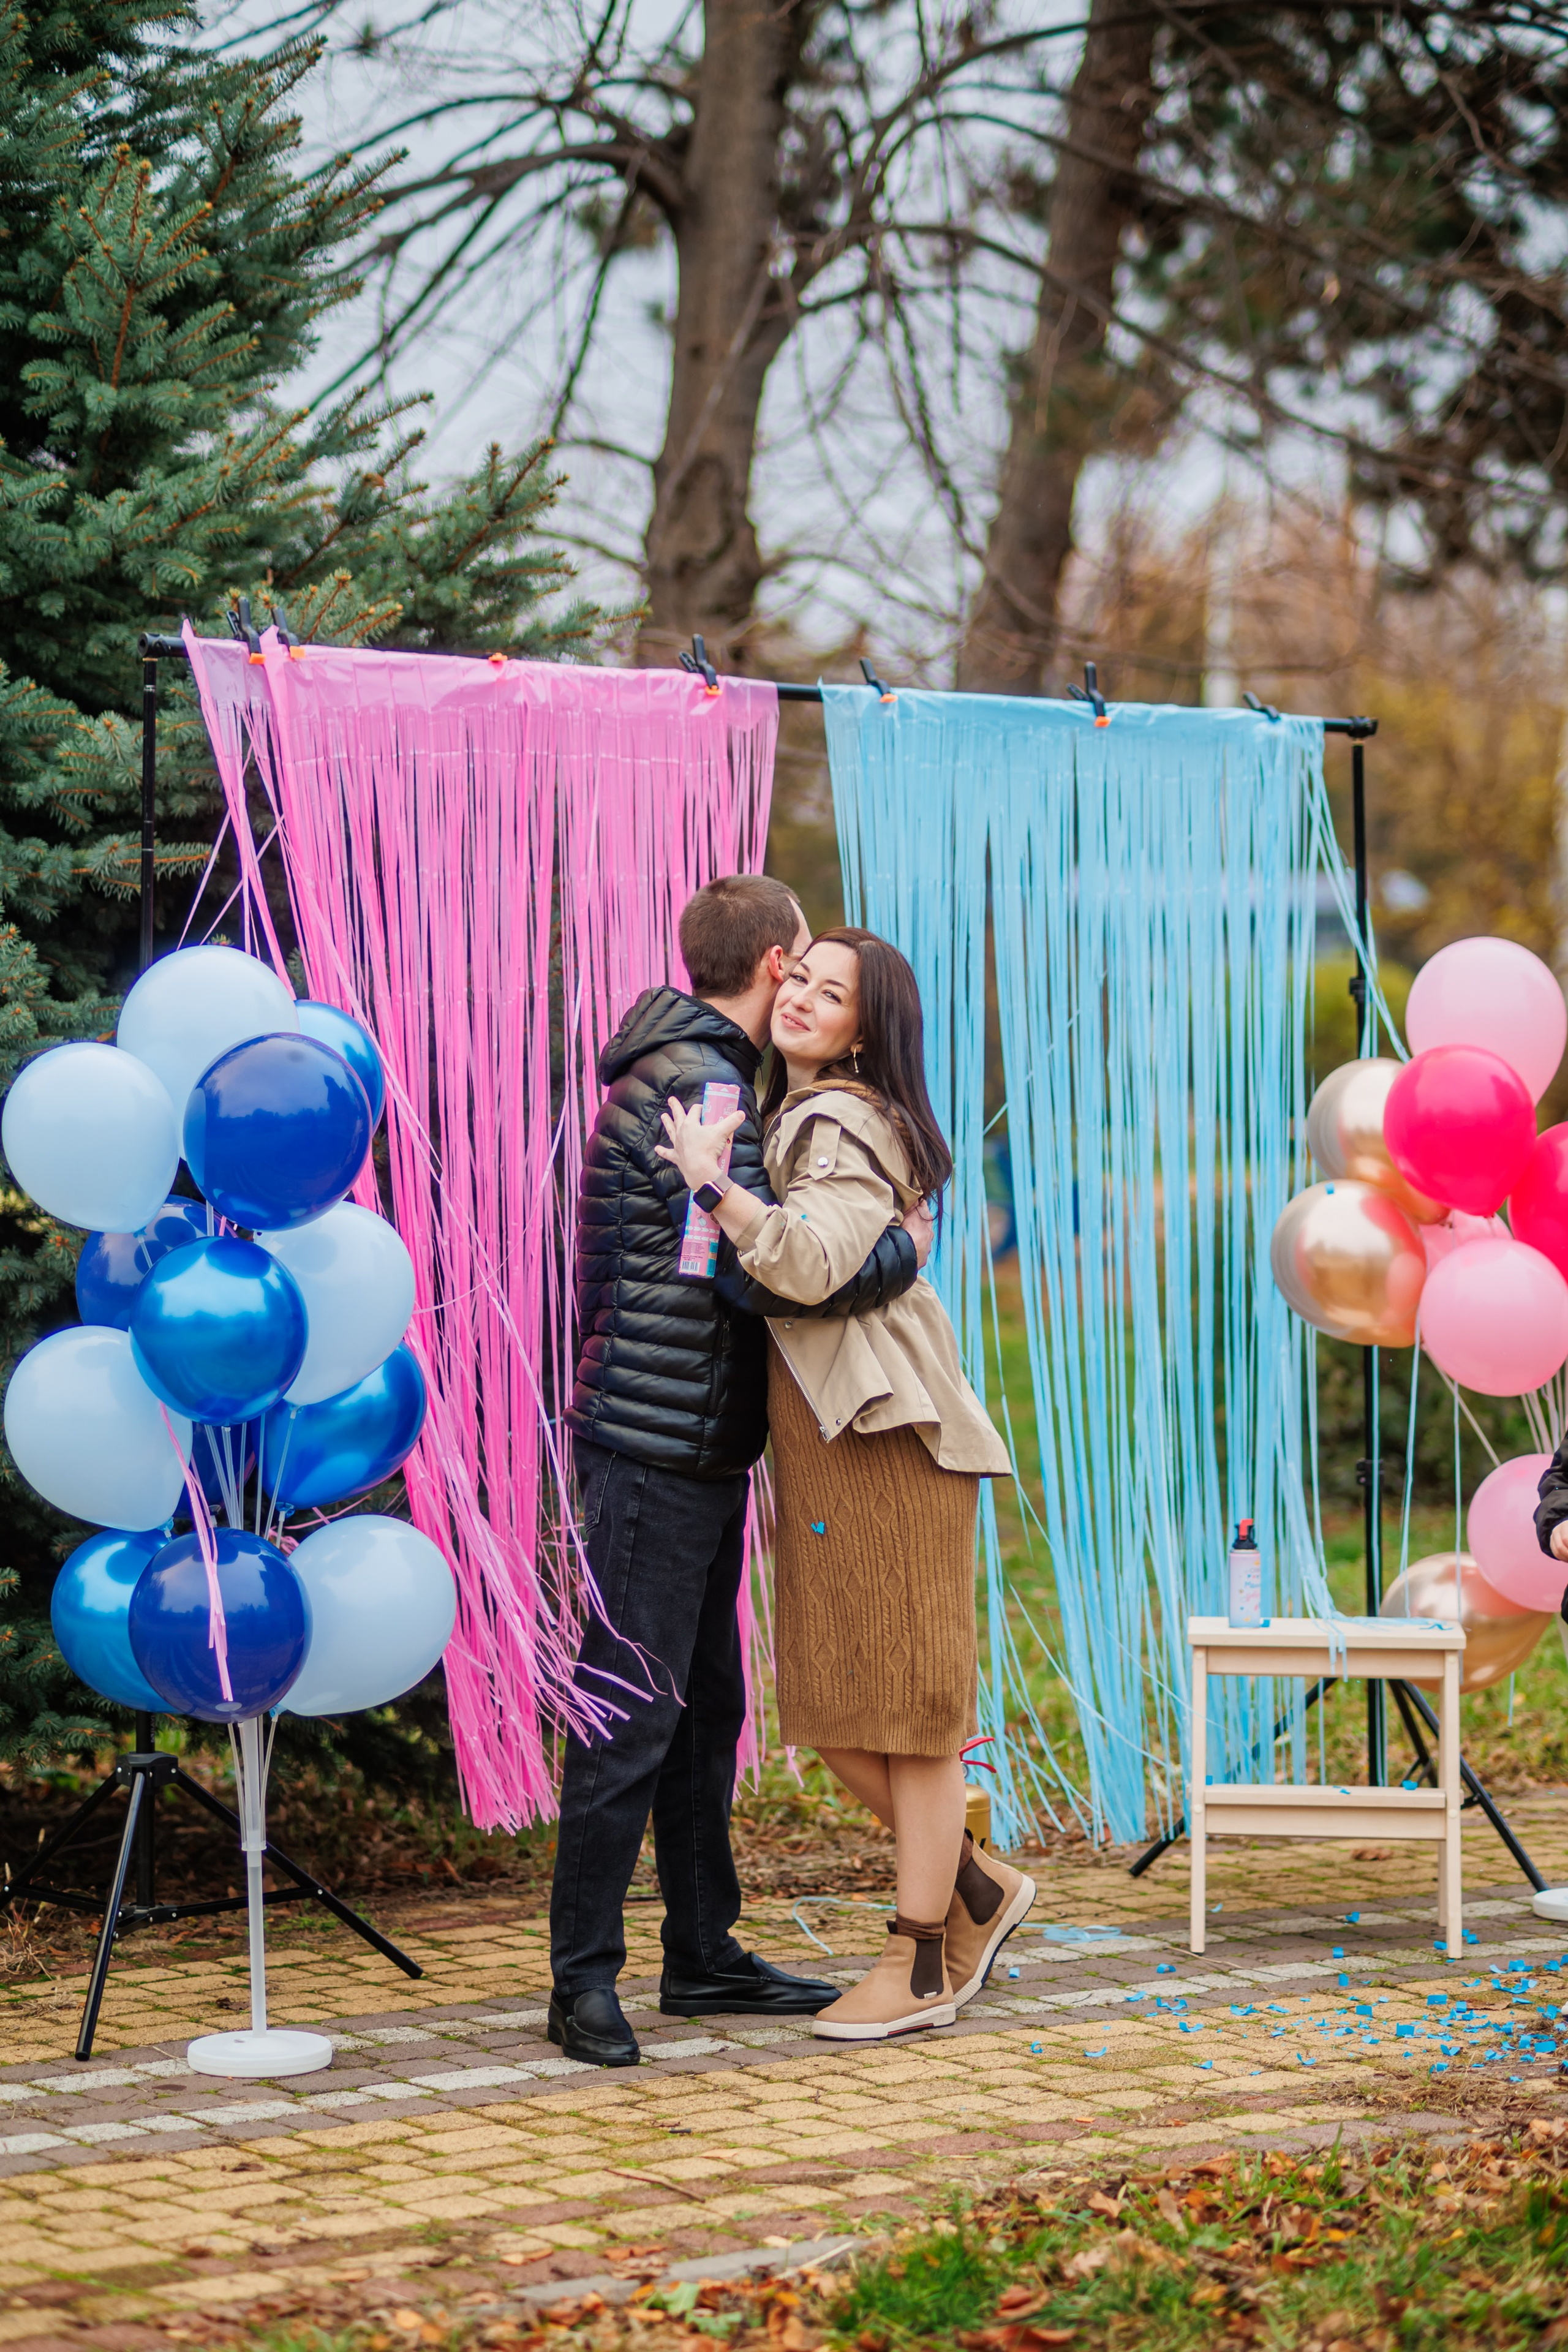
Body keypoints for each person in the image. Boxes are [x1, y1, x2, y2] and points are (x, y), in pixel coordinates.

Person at [549, 875, 930, 2069]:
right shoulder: (704, 1087)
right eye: (804, 965)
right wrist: (896, 1255)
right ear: (773, 964)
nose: (811, 985)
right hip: (656, 1447)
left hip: (690, 1444)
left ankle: (702, 1955)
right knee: (631, 1711)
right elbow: (763, 1271)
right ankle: (581, 1983)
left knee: (703, 1710)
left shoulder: (687, 1068)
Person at [658, 926, 1036, 2043]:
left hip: (889, 1440)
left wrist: (712, 1186)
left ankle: (923, 1963)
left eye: (835, 994)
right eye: (803, 981)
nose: (806, 1002)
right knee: (838, 1710)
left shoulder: (837, 1118)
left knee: (909, 1718)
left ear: (868, 1030)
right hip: (841, 1443)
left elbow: (811, 1265)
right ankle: (976, 1889)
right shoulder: (805, 1110)